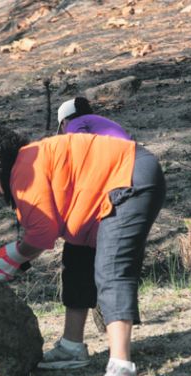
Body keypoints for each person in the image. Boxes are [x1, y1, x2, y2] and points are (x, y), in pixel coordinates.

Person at [0, 124, 165, 376]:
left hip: (129, 178)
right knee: (77, 257)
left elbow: (42, 233)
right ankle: (72, 346)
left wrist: (10, 258)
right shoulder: (26, 162)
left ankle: (122, 367)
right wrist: (14, 258)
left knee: (111, 269)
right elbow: (49, 227)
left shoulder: (23, 171)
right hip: (105, 191)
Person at [55, 97, 132, 336]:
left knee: (80, 252)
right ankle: (106, 315)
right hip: (128, 180)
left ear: (65, 121)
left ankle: (79, 329)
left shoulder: (77, 125)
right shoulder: (101, 122)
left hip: (110, 185)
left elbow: (79, 150)